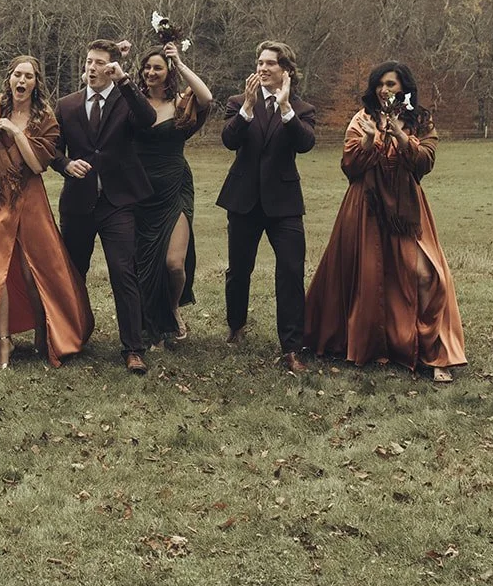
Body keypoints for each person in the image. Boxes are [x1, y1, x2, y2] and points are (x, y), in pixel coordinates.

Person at [0, 6, 93, 369]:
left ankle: (47, 333)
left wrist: (17, 133)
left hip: (30, 201)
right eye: (17, 74)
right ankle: (5, 344)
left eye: (28, 76)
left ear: (35, 83)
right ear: (9, 78)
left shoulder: (46, 120)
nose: (21, 80)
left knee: (34, 270)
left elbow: (37, 164)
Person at [304, 62, 467, 382]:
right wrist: (368, 144)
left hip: (406, 208)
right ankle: (375, 345)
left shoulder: (419, 120)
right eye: (380, 84)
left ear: (404, 88)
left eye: (391, 84)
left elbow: (426, 163)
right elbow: (349, 168)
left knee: (425, 274)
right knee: (371, 277)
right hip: (366, 206)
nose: (384, 90)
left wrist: (403, 139)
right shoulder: (361, 118)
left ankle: (429, 351)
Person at [52, 39, 157, 374]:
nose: (92, 68)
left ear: (112, 68)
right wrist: (65, 165)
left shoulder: (127, 100)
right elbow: (52, 150)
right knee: (72, 273)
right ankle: (71, 337)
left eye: (99, 63)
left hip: (118, 202)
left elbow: (148, 118)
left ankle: (133, 348)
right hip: (78, 203)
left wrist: (125, 81)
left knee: (123, 272)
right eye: (88, 62)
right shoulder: (66, 105)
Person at [217, 40, 318, 372]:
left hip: (284, 203)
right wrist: (247, 108)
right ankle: (236, 325)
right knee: (239, 269)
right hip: (242, 199)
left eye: (269, 64)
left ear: (285, 70)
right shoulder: (237, 103)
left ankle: (291, 347)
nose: (261, 68)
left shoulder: (301, 109)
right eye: (259, 63)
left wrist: (286, 109)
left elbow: (305, 144)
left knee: (290, 270)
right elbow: (230, 140)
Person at [132, 41, 214, 347]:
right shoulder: (133, 102)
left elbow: (206, 97)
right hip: (141, 191)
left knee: (173, 263)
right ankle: (150, 324)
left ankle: (174, 308)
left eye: (158, 67)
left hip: (175, 187)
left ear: (168, 73)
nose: (151, 72)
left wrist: (178, 61)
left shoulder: (182, 103)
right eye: (147, 67)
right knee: (146, 264)